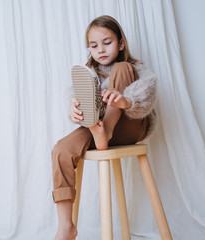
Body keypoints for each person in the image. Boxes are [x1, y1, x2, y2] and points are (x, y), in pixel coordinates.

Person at [52, 15, 157, 240]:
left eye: (107, 43)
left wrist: (125, 101)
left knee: (122, 69)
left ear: (120, 43)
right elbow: (71, 93)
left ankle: (104, 130)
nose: (100, 49)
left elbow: (149, 91)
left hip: (131, 125)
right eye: (94, 45)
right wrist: (75, 110)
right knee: (61, 150)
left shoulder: (133, 67)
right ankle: (65, 227)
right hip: (98, 130)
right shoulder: (90, 74)